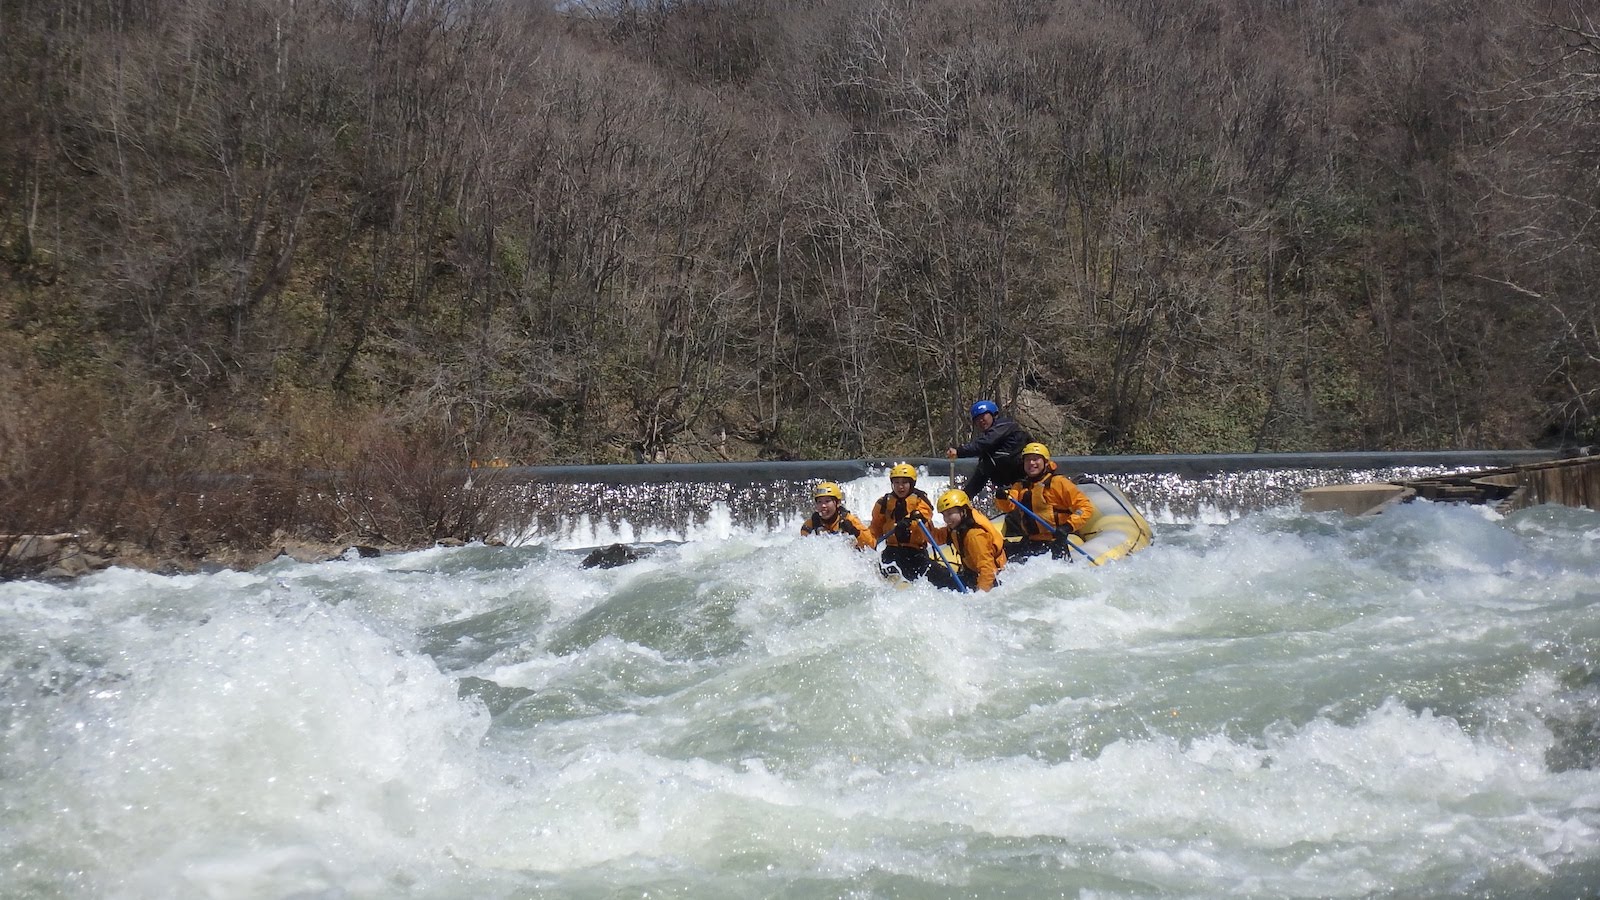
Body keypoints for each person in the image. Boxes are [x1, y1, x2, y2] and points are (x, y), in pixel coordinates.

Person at [996, 442, 1096, 561]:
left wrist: (1068, 526)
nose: (1031, 463)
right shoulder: (1020, 486)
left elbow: (1085, 507)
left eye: (1036, 459)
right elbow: (1008, 507)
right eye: (1028, 460)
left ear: (1045, 462)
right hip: (1031, 541)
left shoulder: (1058, 483)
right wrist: (1001, 497)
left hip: (1055, 542)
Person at [866, 463, 936, 581]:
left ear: (912, 484)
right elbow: (875, 529)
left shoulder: (920, 500)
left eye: (904, 483)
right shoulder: (883, 503)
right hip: (892, 551)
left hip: (915, 552)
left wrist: (909, 519)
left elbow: (925, 512)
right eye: (896, 483)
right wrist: (867, 544)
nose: (900, 487)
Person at [927, 489, 1007, 592]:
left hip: (993, 580)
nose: (946, 519)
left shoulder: (974, 536)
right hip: (973, 574)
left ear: (963, 511)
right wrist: (924, 523)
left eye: (950, 513)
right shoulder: (957, 528)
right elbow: (937, 538)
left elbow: (988, 569)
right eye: (944, 515)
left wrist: (980, 596)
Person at [800, 481, 873, 549]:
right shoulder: (810, 525)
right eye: (819, 502)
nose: (823, 505)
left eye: (827, 501)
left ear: (837, 503)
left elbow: (872, 545)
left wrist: (855, 532)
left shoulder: (850, 520)